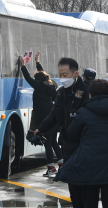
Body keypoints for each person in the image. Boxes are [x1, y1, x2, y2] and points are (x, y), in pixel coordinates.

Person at [34, 57, 89, 208]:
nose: (62, 78)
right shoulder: (61, 92)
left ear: (75, 74)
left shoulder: (85, 91)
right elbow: (54, 114)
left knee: (85, 184)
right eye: (60, 74)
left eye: (65, 75)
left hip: (83, 144)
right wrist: (41, 129)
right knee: (73, 185)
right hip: (68, 145)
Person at [54, 79, 108, 208]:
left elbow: (72, 134)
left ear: (90, 94)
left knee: (89, 200)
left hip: (89, 164)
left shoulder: (84, 111)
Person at [20, 51, 63, 177]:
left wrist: (23, 65)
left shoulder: (38, 86)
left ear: (37, 81)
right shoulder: (51, 85)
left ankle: (51, 169)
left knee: (47, 143)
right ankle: (62, 165)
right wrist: (37, 62)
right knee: (53, 142)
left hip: (43, 119)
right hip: (52, 117)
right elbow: (43, 75)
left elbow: (28, 78)